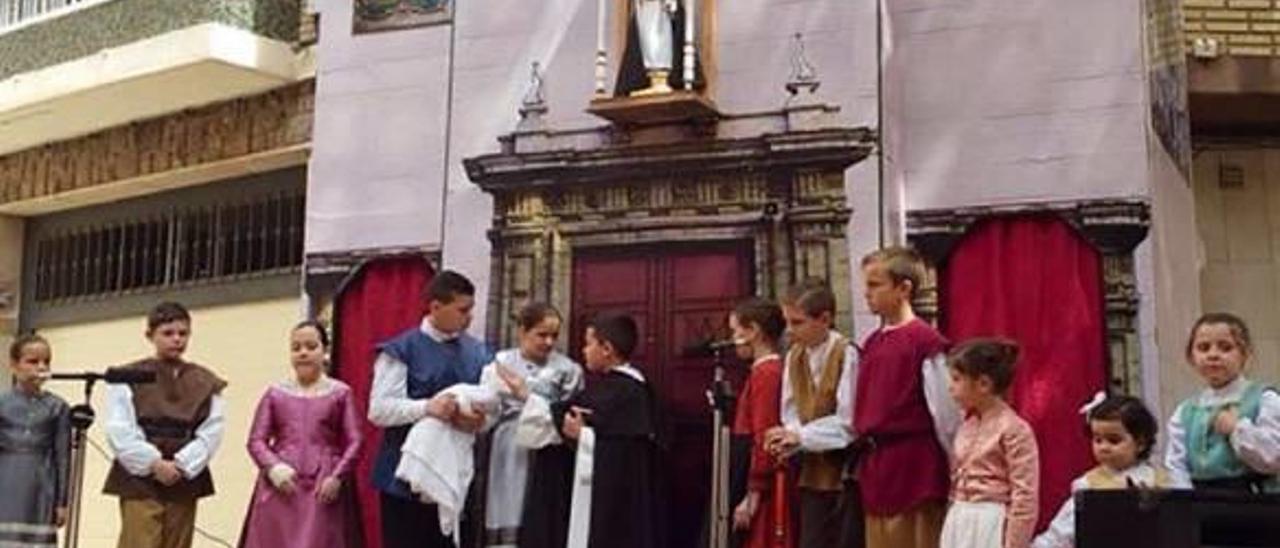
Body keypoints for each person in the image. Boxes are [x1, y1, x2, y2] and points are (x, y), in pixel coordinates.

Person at [508, 312, 663, 548]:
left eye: (589, 343)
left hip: (613, 505)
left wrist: (525, 396)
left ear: (607, 349)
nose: (583, 350)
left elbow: (563, 421)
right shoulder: (633, 387)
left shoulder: (617, 391)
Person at [368, 270, 493, 548]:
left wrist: (478, 421)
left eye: (471, 309)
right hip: (403, 480)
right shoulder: (400, 350)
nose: (469, 317)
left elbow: (489, 406)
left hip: (454, 476)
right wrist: (428, 407)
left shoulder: (479, 352)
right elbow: (378, 410)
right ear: (436, 307)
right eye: (462, 310)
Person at [852, 247, 960, 548]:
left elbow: (946, 415)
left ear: (904, 288)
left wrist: (956, 468)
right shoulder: (873, 342)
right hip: (879, 469)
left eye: (875, 285)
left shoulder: (925, 342)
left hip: (916, 470)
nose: (866, 293)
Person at [103, 301, 228, 548]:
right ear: (150, 335)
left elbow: (211, 430)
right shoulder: (128, 376)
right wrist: (154, 463)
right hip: (140, 476)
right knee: (139, 541)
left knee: (177, 542)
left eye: (183, 333)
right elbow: (120, 427)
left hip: (183, 476)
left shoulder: (205, 380)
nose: (176, 339)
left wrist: (182, 464)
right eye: (168, 333)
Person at [239, 321, 363, 548]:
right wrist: (274, 468)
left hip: (323, 484)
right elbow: (256, 440)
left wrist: (337, 476)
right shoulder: (275, 394)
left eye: (310, 346)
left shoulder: (340, 393)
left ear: (324, 351)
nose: (303, 353)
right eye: (296, 348)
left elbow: (355, 440)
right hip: (281, 484)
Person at [764, 279, 859, 548]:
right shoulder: (795, 356)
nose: (790, 331)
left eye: (798, 322)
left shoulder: (846, 353)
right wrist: (787, 435)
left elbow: (849, 421)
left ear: (825, 319)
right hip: (811, 473)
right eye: (787, 322)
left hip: (845, 472)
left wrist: (800, 436)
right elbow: (790, 410)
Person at [482, 302, 583, 548]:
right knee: (508, 502)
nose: (549, 342)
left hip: (549, 444)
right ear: (522, 331)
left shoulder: (567, 369)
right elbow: (489, 407)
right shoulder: (501, 363)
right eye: (541, 334)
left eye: (554, 336)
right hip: (510, 444)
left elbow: (570, 411)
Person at [1033, 395, 1185, 548]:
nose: (1103, 447)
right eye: (1097, 440)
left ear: (1140, 443)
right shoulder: (1088, 485)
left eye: (1114, 440)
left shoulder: (1160, 481)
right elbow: (1061, 533)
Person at [940, 339, 1039, 548]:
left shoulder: (1014, 429)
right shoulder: (967, 425)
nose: (950, 388)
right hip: (960, 517)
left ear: (984, 384)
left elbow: (1025, 495)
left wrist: (1014, 543)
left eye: (957, 380)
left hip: (991, 522)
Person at [1165, 312, 1279, 493]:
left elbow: (1273, 457)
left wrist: (1236, 429)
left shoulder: (1264, 399)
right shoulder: (1185, 411)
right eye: (1203, 348)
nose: (1213, 355)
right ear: (1191, 357)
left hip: (1254, 500)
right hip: (1201, 503)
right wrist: (1186, 501)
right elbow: (1176, 466)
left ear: (1245, 354)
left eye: (1225, 348)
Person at [728, 298, 794, 548]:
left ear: (753, 331)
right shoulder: (763, 372)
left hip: (764, 486)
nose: (733, 338)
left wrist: (753, 493)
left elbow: (763, 433)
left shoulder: (767, 374)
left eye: (736, 331)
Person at [0, 334, 70, 548]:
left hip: (41, 486)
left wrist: (62, 502)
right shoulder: (2, 403)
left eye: (46, 361)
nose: (40, 367)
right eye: (32, 361)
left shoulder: (57, 406)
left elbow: (63, 456)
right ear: (13, 364)